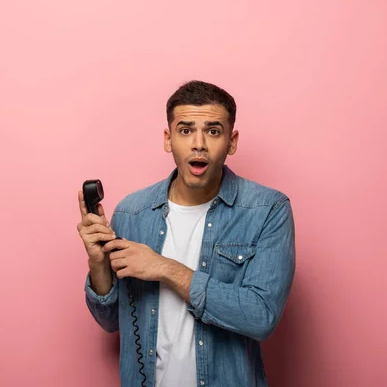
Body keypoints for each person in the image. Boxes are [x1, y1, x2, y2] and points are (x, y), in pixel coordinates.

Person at [76, 80, 296, 387]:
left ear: (232, 142)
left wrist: (165, 268)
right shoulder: (131, 213)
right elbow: (112, 321)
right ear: (168, 139)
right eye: (185, 130)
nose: (199, 144)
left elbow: (261, 317)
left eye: (213, 131)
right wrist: (98, 264)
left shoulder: (268, 209)